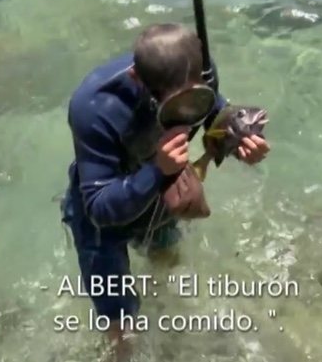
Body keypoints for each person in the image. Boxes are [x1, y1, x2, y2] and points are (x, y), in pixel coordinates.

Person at [60, 23, 269, 361]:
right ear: (137, 80)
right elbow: (98, 206)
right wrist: (157, 171)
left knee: (169, 268)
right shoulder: (94, 106)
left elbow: (215, 112)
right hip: (106, 218)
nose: (188, 111)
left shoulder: (200, 71)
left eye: (196, 97)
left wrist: (237, 139)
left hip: (162, 193)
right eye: (176, 106)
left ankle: (175, 341)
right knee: (120, 319)